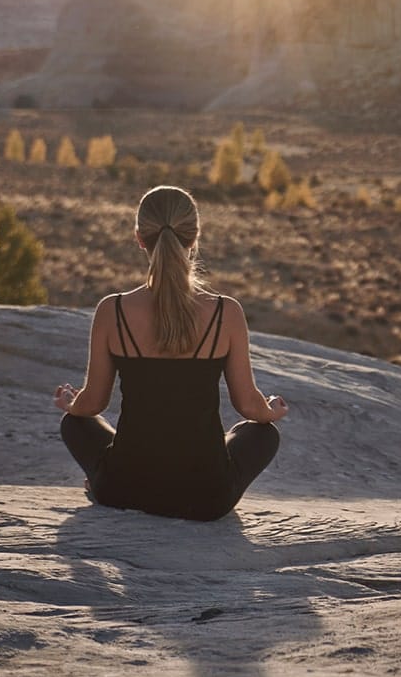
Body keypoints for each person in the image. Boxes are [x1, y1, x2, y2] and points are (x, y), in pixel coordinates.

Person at [54, 184, 287, 521]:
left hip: (123, 489)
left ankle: (102, 480)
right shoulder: (226, 312)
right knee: (262, 435)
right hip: (206, 498)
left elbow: (93, 404)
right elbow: (249, 407)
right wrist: (272, 411)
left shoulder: (112, 310)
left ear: (139, 237)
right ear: (194, 239)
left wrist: (71, 404)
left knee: (74, 425)